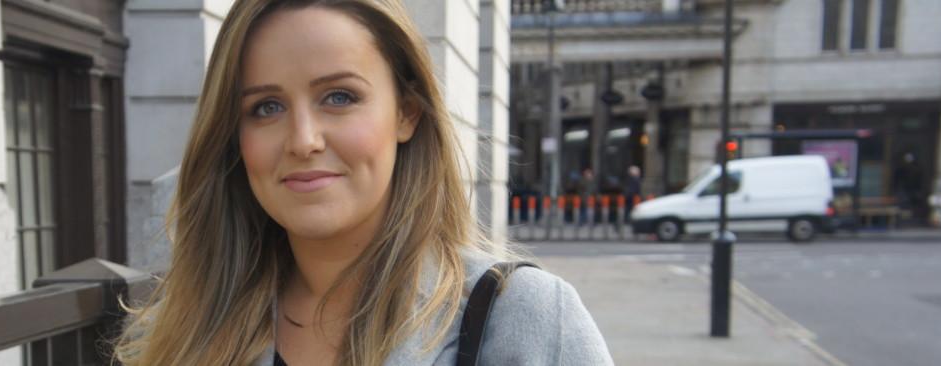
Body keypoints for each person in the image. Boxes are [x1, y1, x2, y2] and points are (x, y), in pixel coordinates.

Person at [114, 1, 613, 365]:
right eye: (266, 107)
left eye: (338, 97)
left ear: (407, 112)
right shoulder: (185, 327)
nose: (303, 140)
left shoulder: (525, 318)